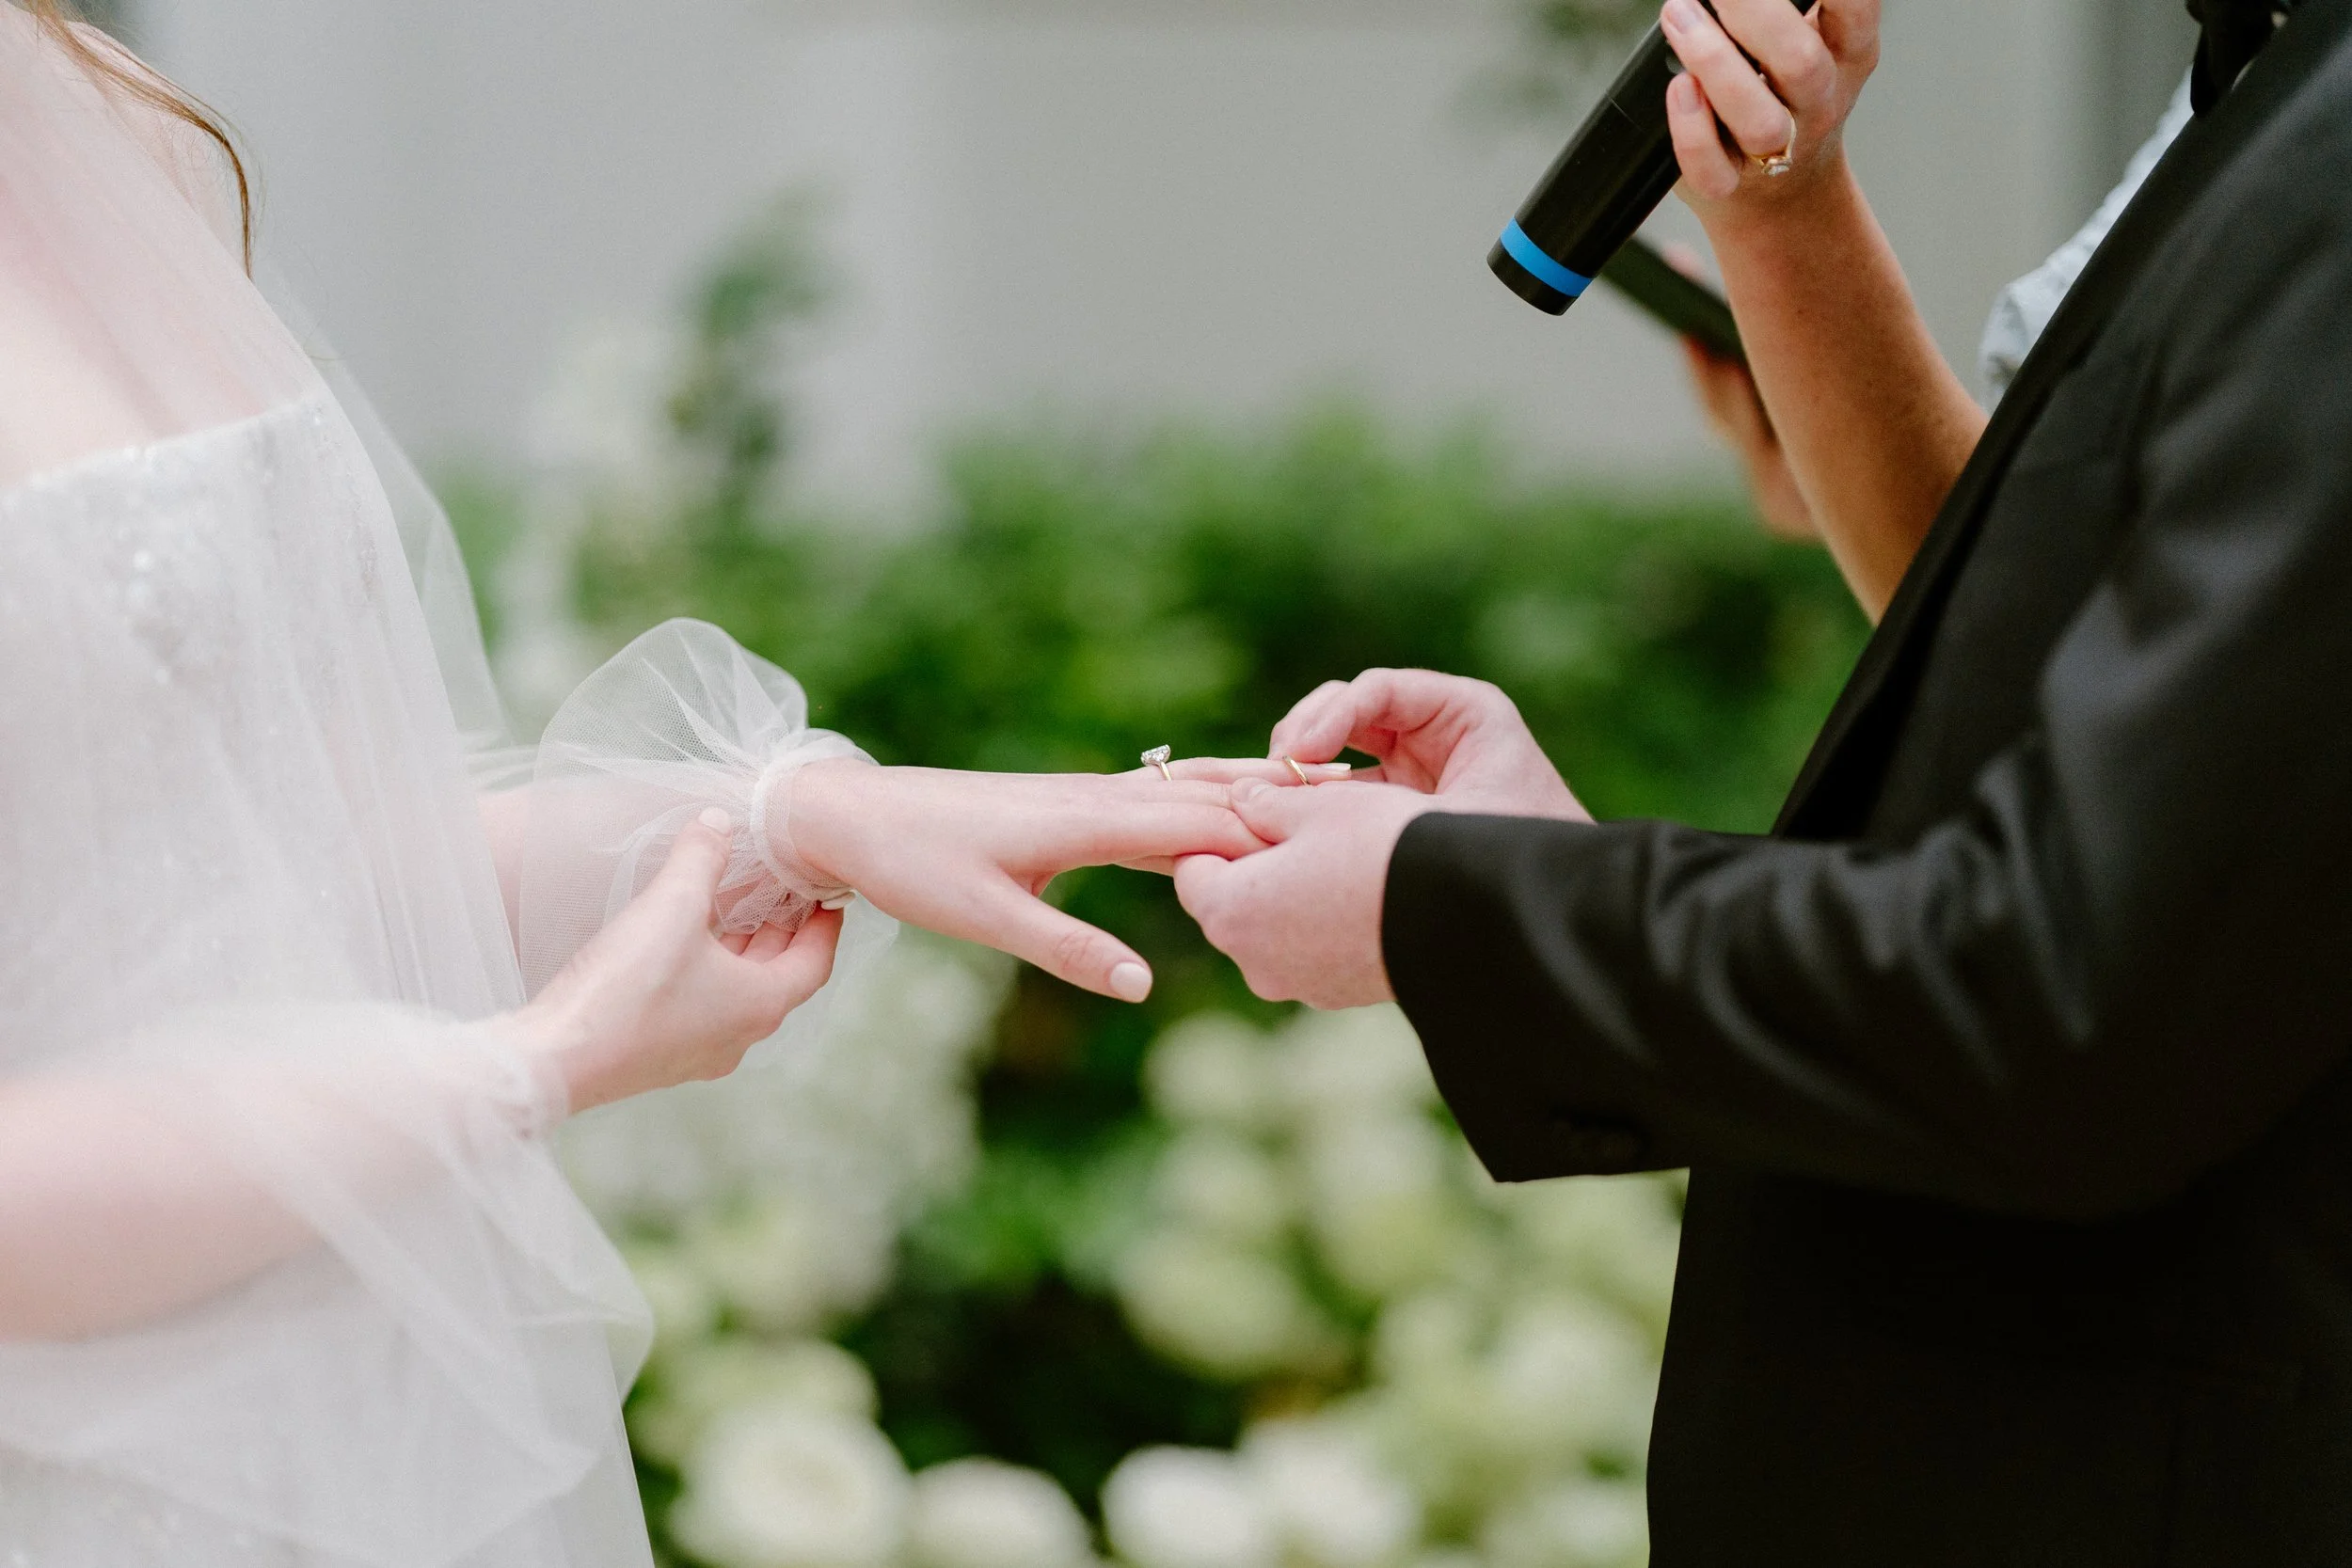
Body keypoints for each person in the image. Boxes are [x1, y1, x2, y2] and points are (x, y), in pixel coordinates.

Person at [0, 5, 1307, 1561]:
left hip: (351, 1450)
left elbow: (317, 874)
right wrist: (528, 1066)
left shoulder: (101, 123)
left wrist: (798, 816)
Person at [1177, 0, 2352, 1558]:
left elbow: (2063, 988)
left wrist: (1451, 904)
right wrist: (1782, 211)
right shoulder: (2264, 78)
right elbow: (2069, 694)